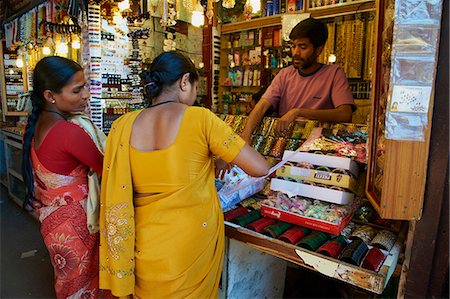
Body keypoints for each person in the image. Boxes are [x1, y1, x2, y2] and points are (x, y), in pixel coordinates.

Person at [99, 51, 270, 298]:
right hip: (190, 247)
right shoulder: (200, 118)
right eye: (195, 87)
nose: (194, 96)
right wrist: (223, 153)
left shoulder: (122, 126)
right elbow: (260, 168)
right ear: (184, 81)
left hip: (144, 245)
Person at [22, 56, 106, 298]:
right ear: (50, 95)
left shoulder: (38, 123)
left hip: (54, 223)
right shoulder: (68, 132)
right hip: (77, 225)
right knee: (83, 285)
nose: (86, 95)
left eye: (86, 86)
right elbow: (107, 168)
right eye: (77, 90)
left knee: (68, 284)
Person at [241, 17, 356, 143]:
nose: (295, 52)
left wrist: (299, 112)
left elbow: (345, 114)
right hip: (284, 146)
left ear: (318, 50)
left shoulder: (334, 74)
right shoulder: (284, 74)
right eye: (293, 46)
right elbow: (261, 106)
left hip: (318, 149)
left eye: (303, 47)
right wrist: (245, 137)